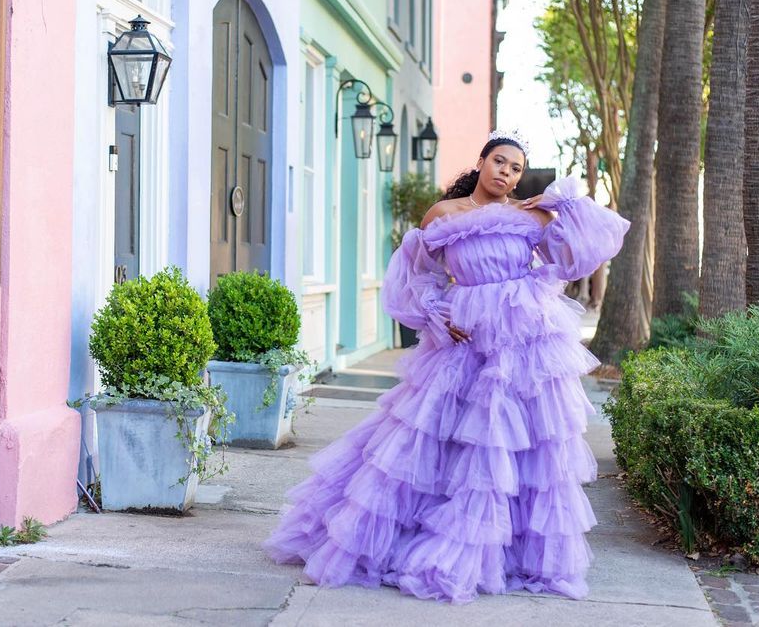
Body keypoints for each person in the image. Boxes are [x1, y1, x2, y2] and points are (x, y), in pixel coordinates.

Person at [263, 129, 630, 603]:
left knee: (517, 444)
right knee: (437, 439)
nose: (507, 173)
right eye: (500, 161)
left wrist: (565, 204)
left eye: (516, 168)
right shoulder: (444, 214)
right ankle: (423, 538)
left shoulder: (530, 216)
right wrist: (435, 311)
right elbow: (415, 274)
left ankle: (509, 553)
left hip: (522, 343)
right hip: (463, 340)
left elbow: (581, 253)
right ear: (480, 162)